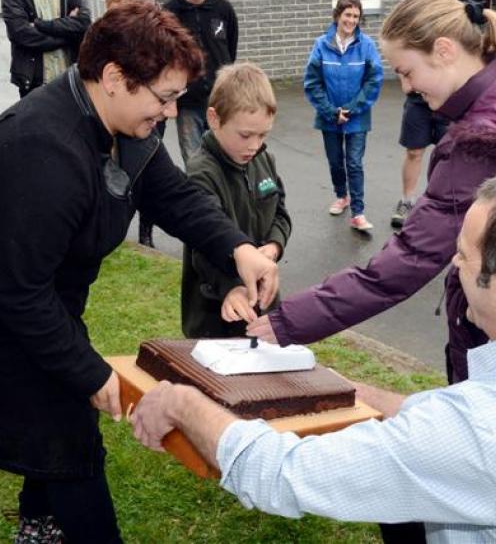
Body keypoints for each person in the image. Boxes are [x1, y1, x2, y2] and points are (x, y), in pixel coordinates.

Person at [0, 0, 278, 543]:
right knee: (71, 444)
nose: (172, 113)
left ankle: (38, 524)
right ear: (113, 77)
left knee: (55, 433)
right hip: (15, 326)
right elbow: (19, 293)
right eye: (165, 97)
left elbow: (173, 196)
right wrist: (92, 372)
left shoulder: (127, 130)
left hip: (50, 308)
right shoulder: (40, 148)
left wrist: (239, 249)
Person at [130, 176, 496, 543]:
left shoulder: (476, 430)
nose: (453, 262)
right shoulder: (469, 416)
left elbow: (280, 472)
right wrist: (333, 390)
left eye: (464, 255)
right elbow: (427, 412)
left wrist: (183, 402)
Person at [247, 0, 496, 387]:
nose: (408, 88)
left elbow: (404, 264)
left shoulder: (478, 141)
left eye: (408, 72)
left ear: (445, 50)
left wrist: (289, 320)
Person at [182, 62, 291, 338]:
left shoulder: (264, 159)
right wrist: (231, 286)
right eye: (245, 135)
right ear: (214, 119)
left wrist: (273, 246)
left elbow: (280, 212)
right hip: (217, 311)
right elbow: (203, 244)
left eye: (263, 134)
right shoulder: (201, 172)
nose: (254, 145)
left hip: (264, 305)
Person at [304, 0, 383, 232]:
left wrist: (350, 109)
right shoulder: (321, 45)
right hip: (329, 117)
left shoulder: (367, 46)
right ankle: (342, 196)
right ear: (338, 15)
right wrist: (331, 111)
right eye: (348, 14)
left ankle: (358, 212)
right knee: (336, 162)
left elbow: (374, 80)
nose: (351, 20)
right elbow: (312, 83)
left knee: (354, 163)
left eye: (356, 16)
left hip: (357, 117)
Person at [391, 0, 459, 228]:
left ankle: (440, 206)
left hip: (452, 104)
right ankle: (407, 202)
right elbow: (398, 47)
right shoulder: (416, 19)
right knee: (414, 152)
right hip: (419, 101)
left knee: (449, 156)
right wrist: (406, 81)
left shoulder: (465, 19)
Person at [164, 0, 238, 166]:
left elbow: (230, 51)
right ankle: (203, 202)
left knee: (226, 160)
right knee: (196, 165)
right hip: (188, 104)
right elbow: (165, 59)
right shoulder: (169, 14)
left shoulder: (224, 10)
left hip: (220, 101)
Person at [101, 0, 156, 249]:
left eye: (126, 0)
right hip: (113, 124)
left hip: (142, 120)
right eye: (115, 1)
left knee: (145, 173)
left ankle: (145, 230)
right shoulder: (98, 41)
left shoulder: (143, 39)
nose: (121, 6)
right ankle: (113, 226)